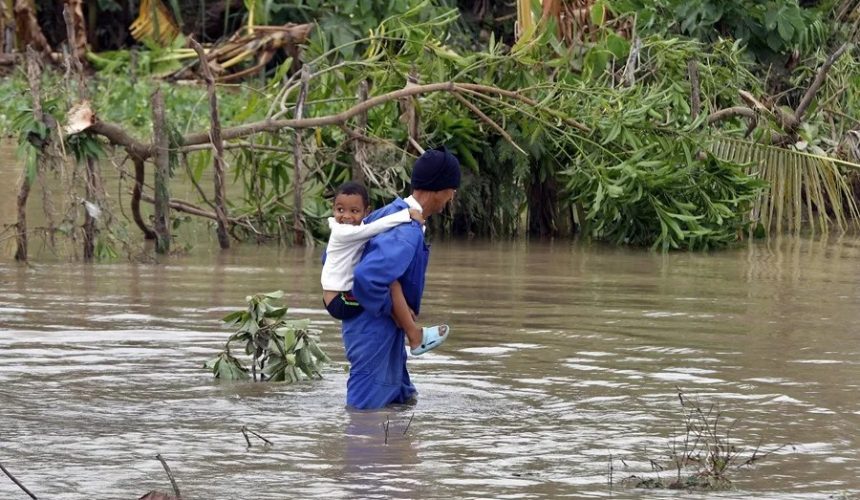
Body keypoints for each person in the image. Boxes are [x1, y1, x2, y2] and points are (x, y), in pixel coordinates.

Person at [343, 146, 460, 409]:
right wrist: (396, 312)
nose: (452, 197)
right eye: (452, 190)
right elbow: (366, 278)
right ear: (439, 189)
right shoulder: (407, 231)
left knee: (404, 402)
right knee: (363, 419)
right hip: (374, 333)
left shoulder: (391, 213)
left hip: (381, 333)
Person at [321, 181, 445, 356]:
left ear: (367, 212)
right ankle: (414, 336)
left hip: (340, 296)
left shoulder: (355, 228)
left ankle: (401, 317)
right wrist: (406, 215)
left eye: (354, 211)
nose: (346, 216)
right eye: (340, 210)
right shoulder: (342, 232)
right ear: (333, 209)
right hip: (339, 301)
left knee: (389, 291)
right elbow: (374, 228)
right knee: (390, 285)